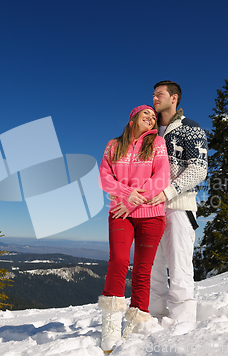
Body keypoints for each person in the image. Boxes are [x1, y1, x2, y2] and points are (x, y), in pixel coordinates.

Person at [98, 105, 170, 353]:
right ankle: (109, 326)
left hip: (151, 215)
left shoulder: (157, 143)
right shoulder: (113, 146)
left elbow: (161, 178)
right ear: (132, 120)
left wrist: (132, 201)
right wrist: (128, 196)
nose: (151, 118)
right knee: (118, 260)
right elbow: (105, 178)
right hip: (120, 213)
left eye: (153, 116)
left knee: (142, 269)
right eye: (145, 115)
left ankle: (135, 323)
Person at [147, 80, 208, 323]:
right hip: (149, 210)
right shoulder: (149, 133)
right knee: (152, 267)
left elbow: (199, 169)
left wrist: (167, 193)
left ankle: (183, 324)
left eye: (159, 94)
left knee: (179, 266)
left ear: (174, 98)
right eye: (152, 95)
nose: (154, 99)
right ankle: (154, 317)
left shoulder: (190, 128)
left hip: (179, 207)